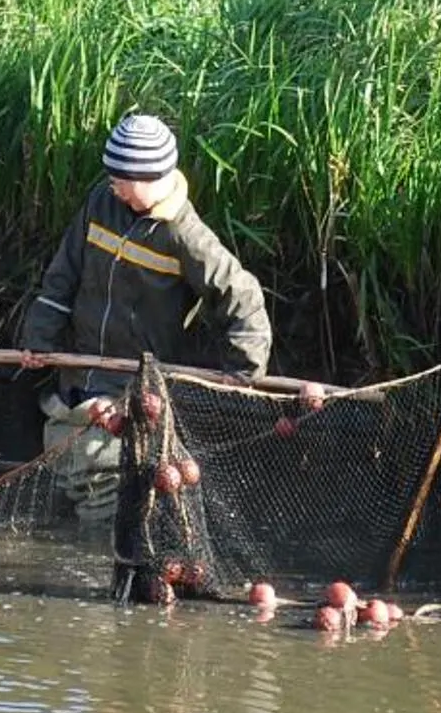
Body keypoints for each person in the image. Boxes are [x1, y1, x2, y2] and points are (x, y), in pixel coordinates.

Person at [19, 114, 271, 529]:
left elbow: (240, 296)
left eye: (122, 179)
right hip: (82, 367)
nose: (113, 186)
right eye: (112, 177)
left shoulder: (183, 235)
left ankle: (100, 552)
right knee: (66, 463)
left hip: (135, 384)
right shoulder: (101, 204)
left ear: (151, 178)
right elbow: (63, 275)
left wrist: (243, 369)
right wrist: (40, 340)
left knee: (104, 478)